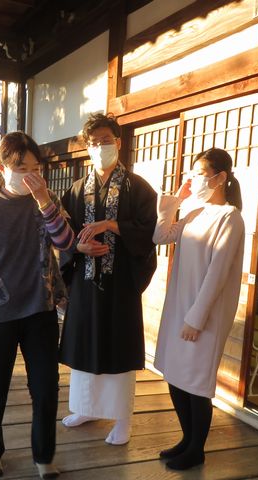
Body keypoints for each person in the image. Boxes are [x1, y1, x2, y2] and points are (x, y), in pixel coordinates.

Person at [0, 131, 75, 480]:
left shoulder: (47, 202)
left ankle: (44, 456)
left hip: (41, 308)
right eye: (21, 168)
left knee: (46, 386)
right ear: (2, 168)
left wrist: (44, 200)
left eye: (36, 168)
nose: (30, 175)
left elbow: (65, 241)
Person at [59, 113, 157, 445]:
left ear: (118, 142)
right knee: (85, 348)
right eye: (94, 142)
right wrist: (78, 247)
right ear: (87, 148)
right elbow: (62, 235)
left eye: (105, 140)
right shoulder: (76, 190)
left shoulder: (138, 188)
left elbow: (149, 233)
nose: (100, 147)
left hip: (120, 286)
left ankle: (123, 418)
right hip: (85, 284)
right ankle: (86, 408)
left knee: (118, 351)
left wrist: (112, 225)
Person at [152, 147, 245, 470]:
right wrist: (176, 200)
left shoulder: (230, 217)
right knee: (175, 375)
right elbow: (160, 236)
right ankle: (186, 439)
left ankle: (197, 449)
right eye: (191, 173)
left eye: (200, 174)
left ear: (220, 178)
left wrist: (196, 317)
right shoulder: (194, 212)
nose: (194, 179)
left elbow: (218, 273)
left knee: (196, 382)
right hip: (180, 306)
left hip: (204, 314)